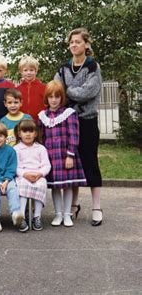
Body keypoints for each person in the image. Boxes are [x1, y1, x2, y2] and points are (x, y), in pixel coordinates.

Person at [55, 27, 103, 226]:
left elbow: (89, 92)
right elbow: (57, 92)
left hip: (87, 121)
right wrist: (67, 92)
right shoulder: (63, 69)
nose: (74, 45)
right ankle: (73, 206)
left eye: (78, 41)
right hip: (68, 121)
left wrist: (68, 91)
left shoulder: (93, 67)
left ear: (86, 44)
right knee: (72, 163)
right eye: (71, 42)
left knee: (90, 162)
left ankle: (97, 207)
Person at [38, 80, 87, 228]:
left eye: (57, 97)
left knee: (67, 186)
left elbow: (74, 135)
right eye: (51, 97)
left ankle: (67, 215)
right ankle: (58, 214)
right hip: (50, 156)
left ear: (62, 98)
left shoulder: (68, 114)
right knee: (54, 186)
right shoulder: (42, 115)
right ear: (46, 98)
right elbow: (40, 137)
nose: (54, 100)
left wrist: (70, 155)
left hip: (65, 156)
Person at [13, 119, 51, 232]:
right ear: (19, 134)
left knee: (42, 185)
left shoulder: (40, 148)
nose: (28, 134)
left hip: (38, 175)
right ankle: (22, 217)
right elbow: (15, 167)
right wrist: (24, 174)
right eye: (25, 131)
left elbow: (46, 165)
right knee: (22, 186)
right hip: (23, 176)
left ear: (35, 133)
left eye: (31, 131)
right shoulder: (16, 149)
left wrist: (40, 174)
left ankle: (37, 216)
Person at [0, 122, 24, 232]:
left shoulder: (11, 150)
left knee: (13, 189)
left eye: (0, 136)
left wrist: (6, 181)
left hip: (8, 178)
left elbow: (12, 167)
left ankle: (15, 213)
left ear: (5, 137)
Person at [16, 56, 46, 121]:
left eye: (31, 70)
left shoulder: (43, 87)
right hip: (22, 123)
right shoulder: (17, 89)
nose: (28, 72)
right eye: (25, 70)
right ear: (21, 72)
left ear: (36, 71)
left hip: (40, 122)